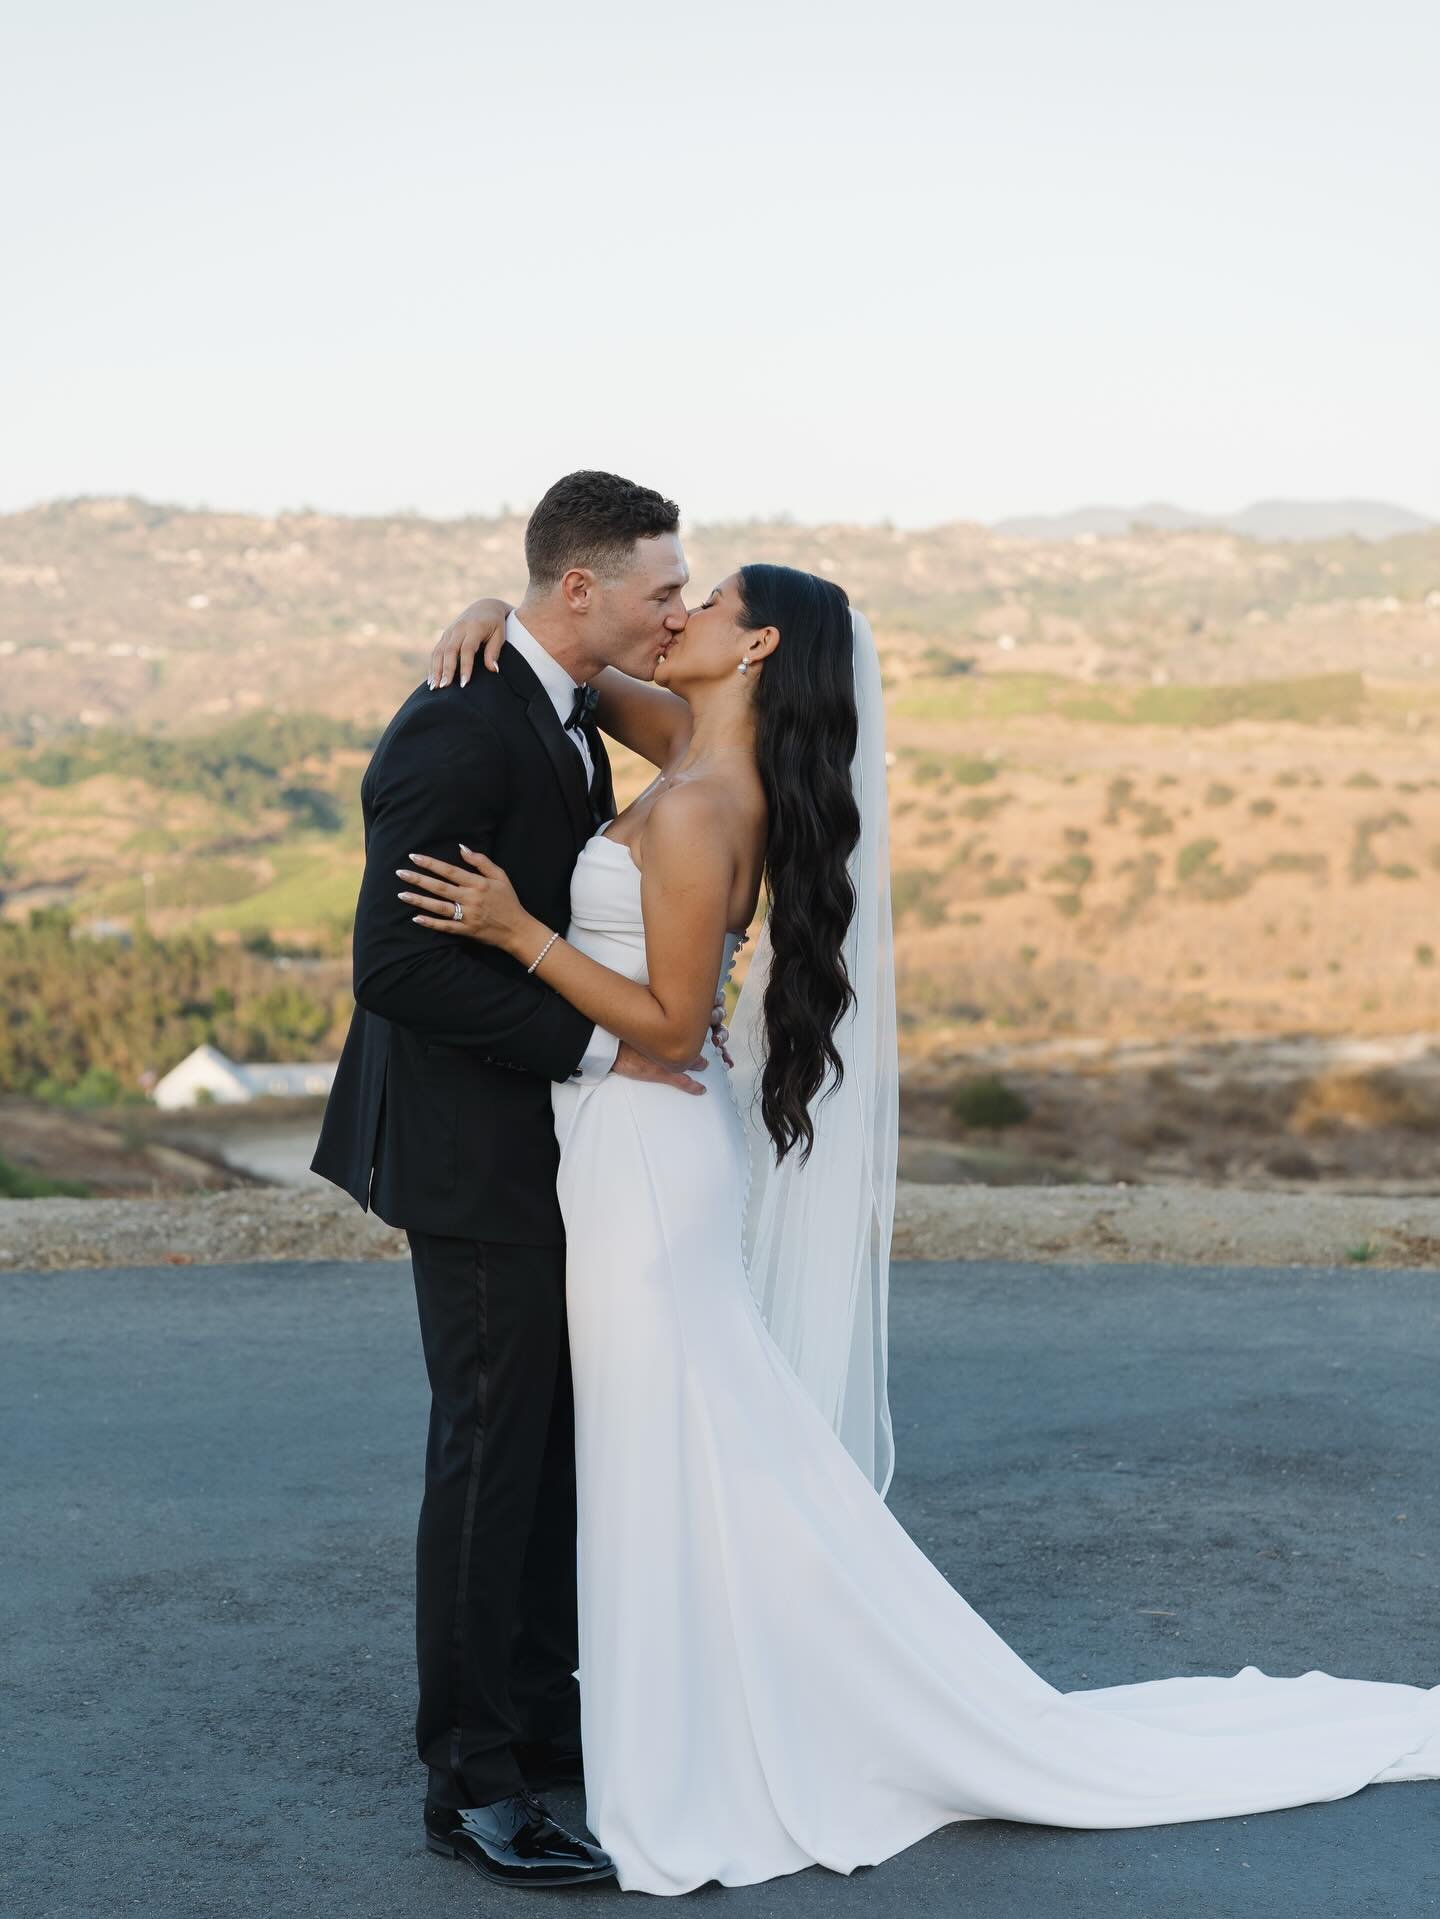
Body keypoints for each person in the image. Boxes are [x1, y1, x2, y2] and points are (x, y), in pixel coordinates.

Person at [406, 564, 1440, 1897]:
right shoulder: (703, 750)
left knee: (672, 1440)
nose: (677, 617)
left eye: (704, 602)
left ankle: (727, 1719)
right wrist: (500, 610)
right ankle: (706, 1694)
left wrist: (515, 928)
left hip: (649, 1164)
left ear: (758, 643)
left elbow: (666, 1027)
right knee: (685, 1437)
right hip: (641, 1154)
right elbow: (581, 674)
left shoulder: (709, 800)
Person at [312, 471, 729, 1890]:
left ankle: (539, 1717)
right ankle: (471, 1783)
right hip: (468, 1150)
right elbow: (397, 964)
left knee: (543, 1443)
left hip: (543, 1139)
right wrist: (596, 1047)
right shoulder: (457, 725)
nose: (676, 608)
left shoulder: (557, 702)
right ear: (580, 591)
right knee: (490, 1455)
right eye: (660, 588)